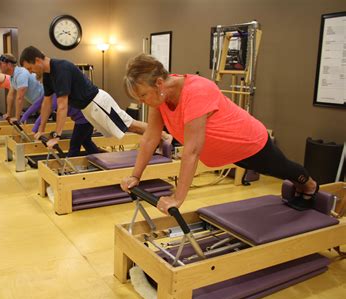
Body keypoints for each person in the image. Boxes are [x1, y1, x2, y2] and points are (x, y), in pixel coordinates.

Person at [121, 53, 319, 213]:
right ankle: (300, 187)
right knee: (278, 171)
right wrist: (135, 176)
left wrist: (177, 198)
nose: (141, 101)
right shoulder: (159, 99)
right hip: (231, 153)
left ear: (159, 84)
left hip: (250, 141)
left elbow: (191, 150)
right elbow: (150, 139)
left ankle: (310, 186)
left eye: (143, 95)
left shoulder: (195, 91)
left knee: (281, 170)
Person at [18, 46, 172, 150]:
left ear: (37, 61)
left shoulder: (61, 69)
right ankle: (160, 137)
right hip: (88, 108)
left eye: (30, 68)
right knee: (125, 126)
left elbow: (62, 106)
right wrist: (42, 129)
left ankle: (164, 136)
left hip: (97, 102)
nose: (31, 72)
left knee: (128, 125)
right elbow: (46, 102)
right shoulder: (48, 76)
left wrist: (56, 136)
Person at [0, 53, 98, 157]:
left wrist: (36, 128)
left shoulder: (58, 93)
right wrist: (24, 117)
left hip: (86, 118)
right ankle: (101, 159)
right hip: (81, 119)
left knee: (74, 144)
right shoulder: (50, 91)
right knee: (86, 141)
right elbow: (37, 104)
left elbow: (46, 112)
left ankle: (69, 169)